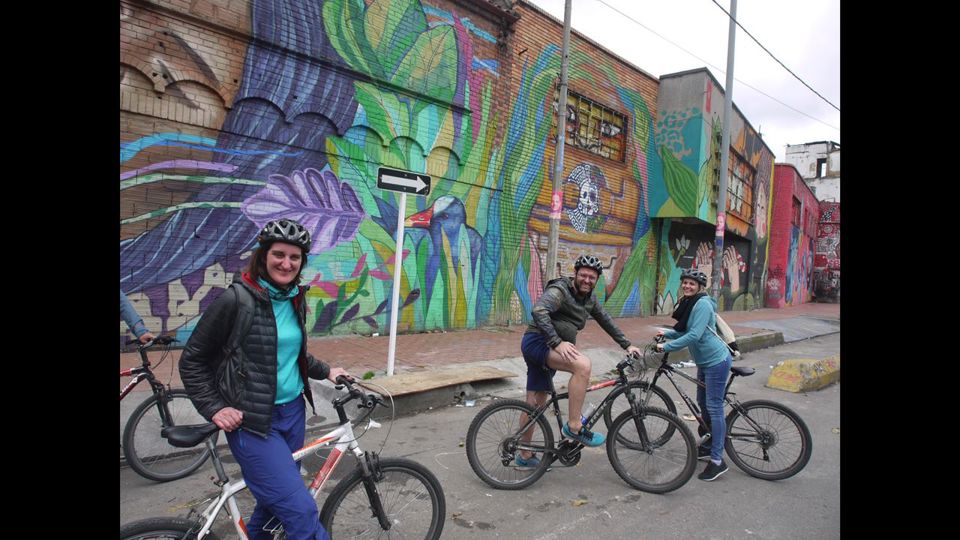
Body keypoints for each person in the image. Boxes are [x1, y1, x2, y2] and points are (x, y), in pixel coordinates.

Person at [180, 218, 350, 540]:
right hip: (254, 422)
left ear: (301, 263)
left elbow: (288, 354)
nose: (286, 263)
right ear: (263, 255)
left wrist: (328, 371)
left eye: (294, 257)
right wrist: (215, 408)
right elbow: (192, 361)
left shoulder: (295, 298)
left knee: (273, 506)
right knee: (300, 512)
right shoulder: (236, 300)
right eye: (279, 254)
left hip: (292, 415)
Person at [517, 254, 641, 465]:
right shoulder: (560, 290)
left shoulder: (590, 298)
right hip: (538, 342)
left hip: (549, 347)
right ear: (575, 274)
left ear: (596, 280)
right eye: (583, 275)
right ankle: (574, 426)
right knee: (582, 366)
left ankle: (524, 454)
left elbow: (606, 321)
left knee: (535, 404)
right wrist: (557, 342)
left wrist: (627, 344)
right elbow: (539, 310)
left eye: (592, 277)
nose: (587, 280)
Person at [655, 267, 734, 482]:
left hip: (716, 361)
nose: (687, 286)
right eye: (685, 282)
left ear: (700, 287)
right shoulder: (691, 302)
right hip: (705, 362)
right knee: (702, 401)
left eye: (692, 283)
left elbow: (694, 335)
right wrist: (666, 333)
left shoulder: (702, 304)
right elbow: (683, 329)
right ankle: (709, 444)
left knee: (714, 407)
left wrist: (667, 347)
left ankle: (717, 461)